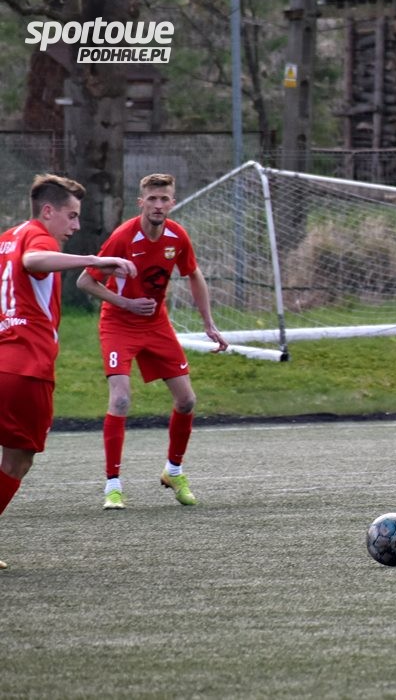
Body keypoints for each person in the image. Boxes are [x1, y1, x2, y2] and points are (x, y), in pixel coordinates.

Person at [1, 175, 137, 569]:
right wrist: (95, 260)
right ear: (48, 211)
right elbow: (34, 261)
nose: (75, 226)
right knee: (17, 461)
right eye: (72, 216)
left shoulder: (7, 238)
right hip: (24, 368)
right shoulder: (37, 237)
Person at [76, 173, 228, 511]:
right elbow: (85, 281)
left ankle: (173, 472)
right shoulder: (123, 237)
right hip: (118, 323)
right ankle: (113, 487)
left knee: (187, 400)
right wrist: (126, 303)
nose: (158, 205)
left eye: (164, 199)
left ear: (173, 202)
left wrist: (208, 323)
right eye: (152, 199)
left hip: (156, 324)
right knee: (120, 400)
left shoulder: (178, 236)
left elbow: (193, 274)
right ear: (141, 202)